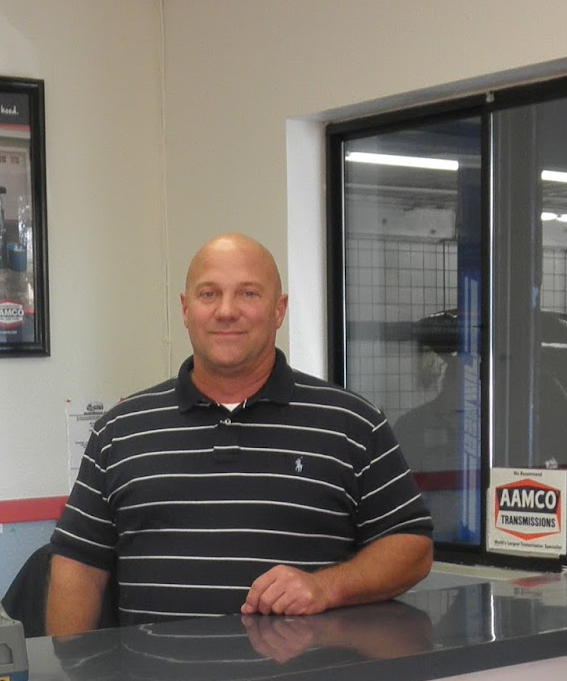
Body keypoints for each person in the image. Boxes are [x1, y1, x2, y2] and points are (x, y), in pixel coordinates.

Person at [47, 234, 434, 635]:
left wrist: (325, 587)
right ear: (185, 309)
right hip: (151, 677)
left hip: (311, 677)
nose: (226, 311)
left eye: (248, 293)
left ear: (279, 310)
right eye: (208, 294)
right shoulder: (119, 431)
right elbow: (79, 564)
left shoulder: (353, 423)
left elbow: (412, 548)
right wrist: (71, 669)